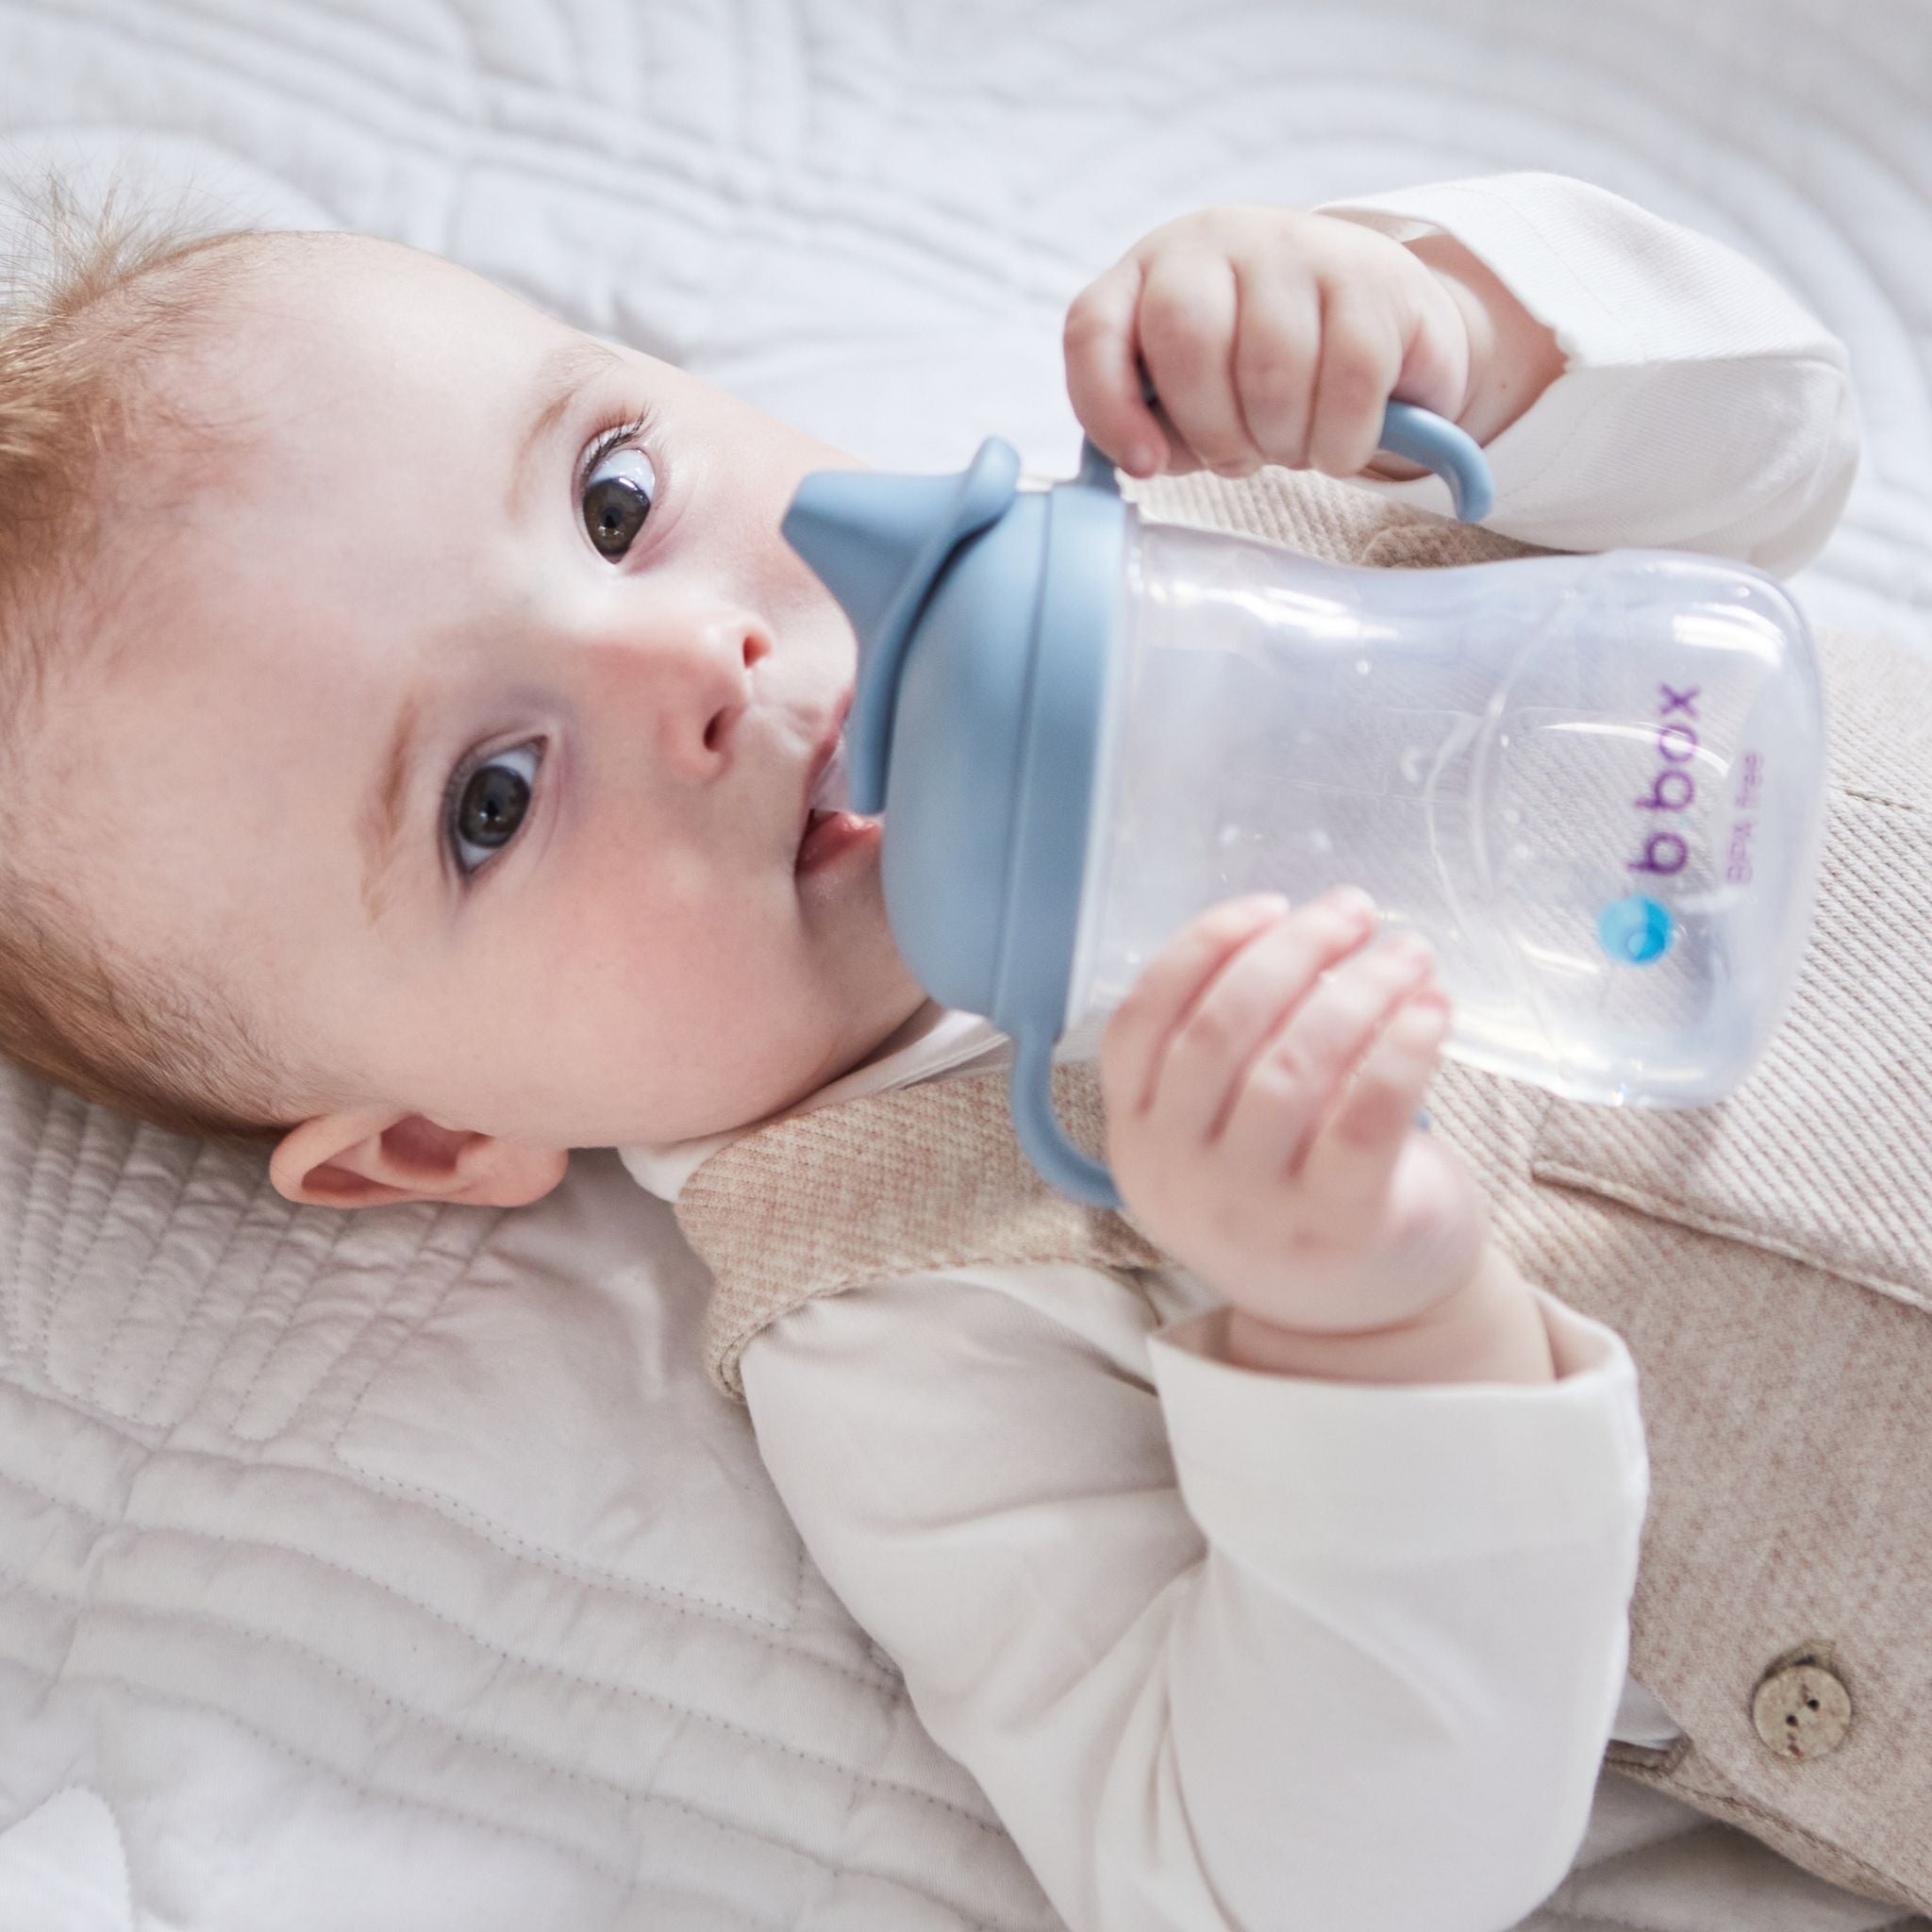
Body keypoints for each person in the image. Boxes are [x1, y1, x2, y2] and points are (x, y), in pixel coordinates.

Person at [0, 173, 1858, 1928]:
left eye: (616, 499)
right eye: (491, 798)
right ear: (429, 1139)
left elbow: (1785, 443)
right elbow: (1260, 1876)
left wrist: (1453, 333)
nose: (699, 662)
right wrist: (1371, 1348)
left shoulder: (1228, 491)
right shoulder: (895, 1313)